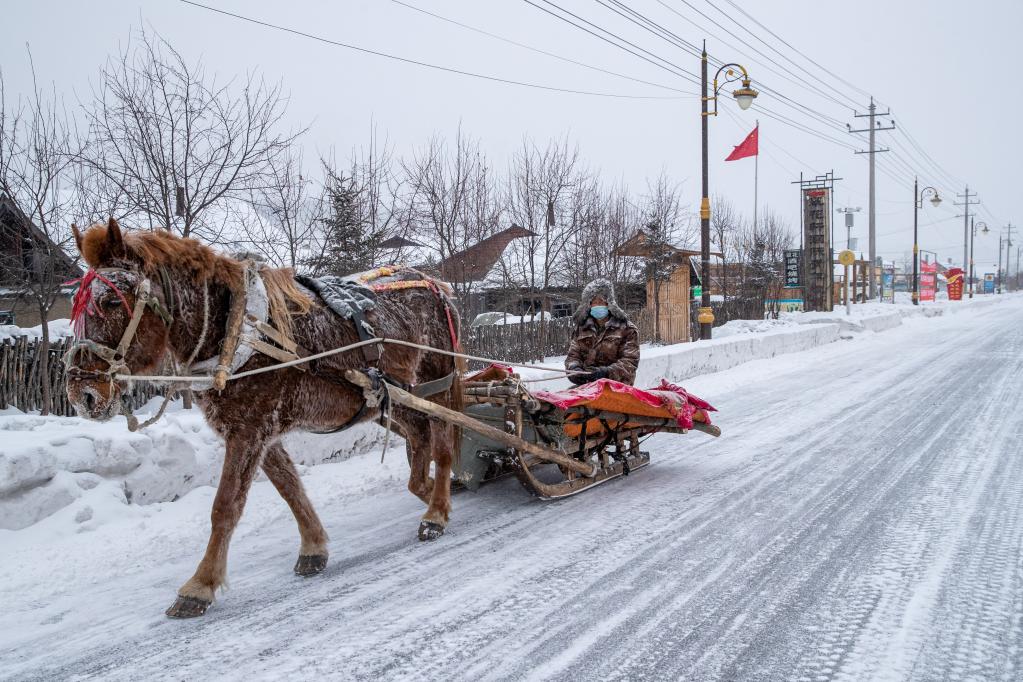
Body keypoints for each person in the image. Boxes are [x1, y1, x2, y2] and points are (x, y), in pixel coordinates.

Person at [565, 278, 640, 386]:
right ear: (589, 305)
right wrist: (574, 369)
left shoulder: (627, 329)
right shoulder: (581, 329)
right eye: (593, 302)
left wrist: (604, 373)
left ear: (609, 303)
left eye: (601, 301)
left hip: (617, 388)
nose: (597, 305)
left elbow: (630, 362)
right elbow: (573, 356)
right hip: (587, 386)